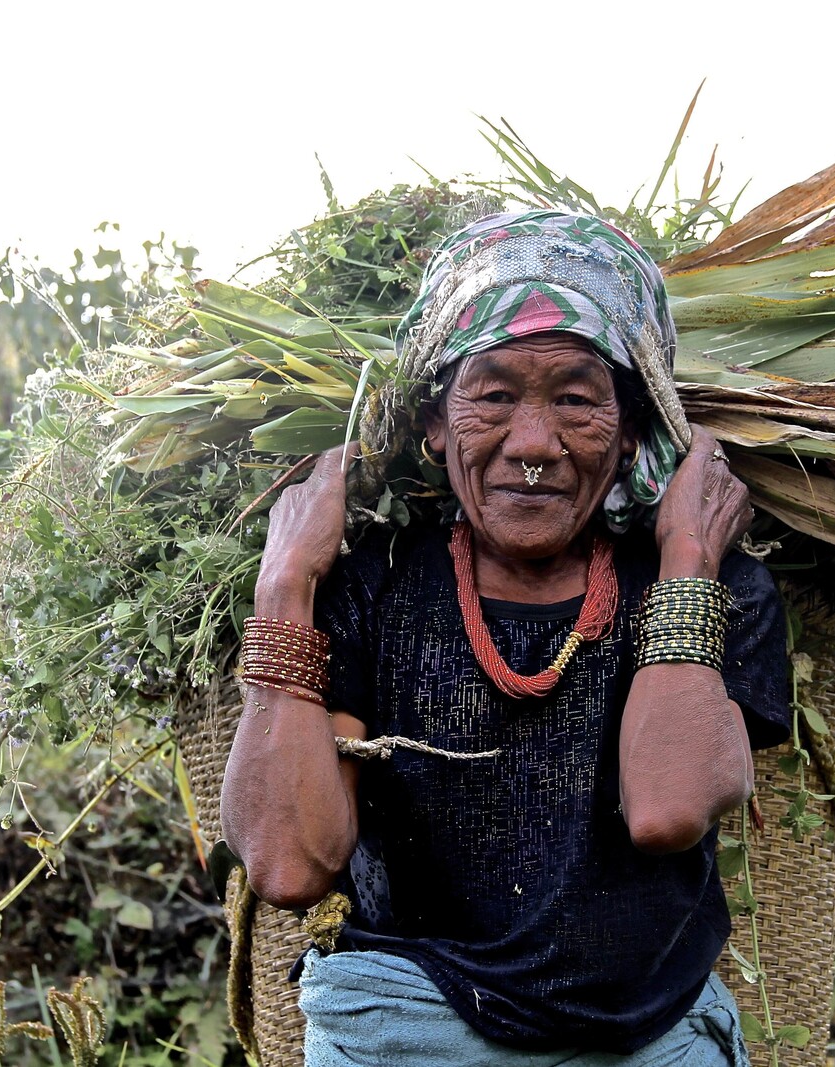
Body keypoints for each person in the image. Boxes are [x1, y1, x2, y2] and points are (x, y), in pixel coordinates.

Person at [221, 211, 790, 1066]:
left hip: (646, 1040)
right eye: (491, 396)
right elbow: (289, 862)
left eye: (575, 398)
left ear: (632, 427)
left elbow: (668, 808)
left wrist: (684, 553)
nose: (533, 444)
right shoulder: (374, 588)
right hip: (407, 1031)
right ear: (436, 425)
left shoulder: (712, 588)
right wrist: (286, 582)